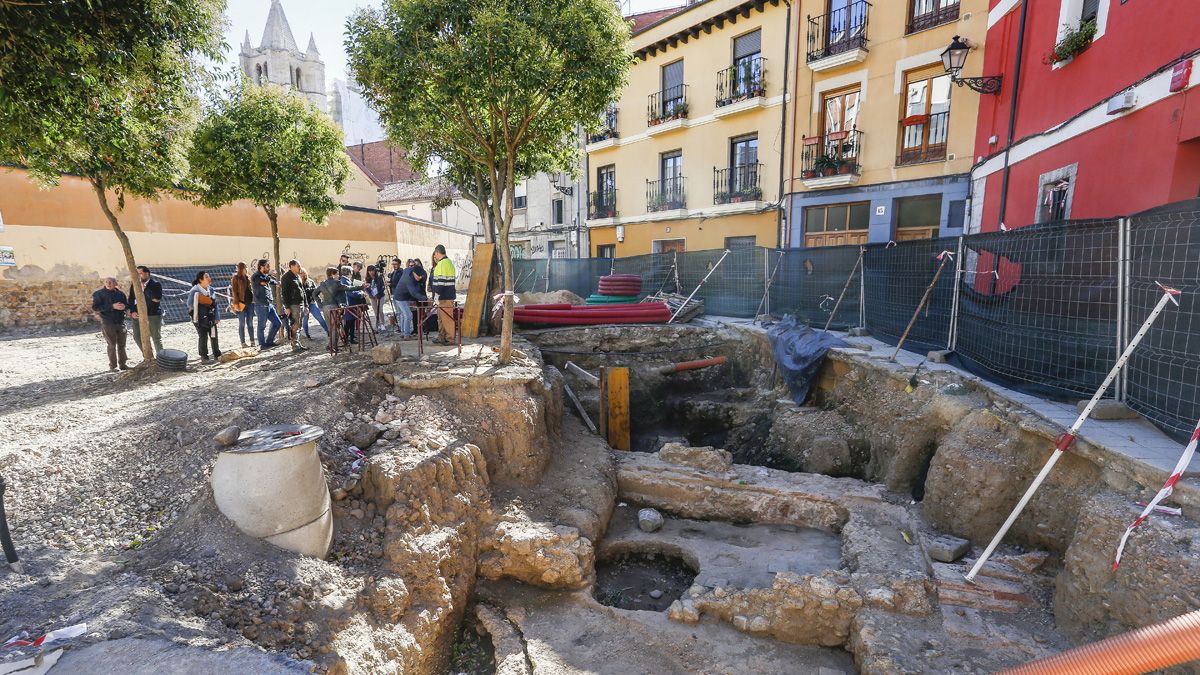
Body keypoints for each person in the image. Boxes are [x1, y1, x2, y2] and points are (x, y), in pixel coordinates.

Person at [91, 277, 129, 371]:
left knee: (122, 345)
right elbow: (95, 308)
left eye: (111, 282)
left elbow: (127, 305)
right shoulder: (98, 294)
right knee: (112, 345)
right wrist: (112, 306)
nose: (109, 284)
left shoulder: (121, 294)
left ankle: (123, 365)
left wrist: (124, 307)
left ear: (115, 283)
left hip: (120, 322)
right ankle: (113, 366)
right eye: (106, 282)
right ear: (104, 283)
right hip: (108, 322)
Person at [127, 265, 163, 357]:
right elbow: (131, 299)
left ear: (147, 274)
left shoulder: (156, 284)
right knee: (137, 337)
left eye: (140, 273)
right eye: (136, 274)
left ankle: (161, 358)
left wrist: (144, 290)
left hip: (152, 315)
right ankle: (147, 356)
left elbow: (156, 299)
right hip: (137, 315)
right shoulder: (134, 285)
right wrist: (132, 311)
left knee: (156, 338)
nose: (138, 276)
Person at [186, 271, 222, 363]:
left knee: (214, 335)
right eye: (206, 277)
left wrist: (217, 317)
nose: (209, 278)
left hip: (211, 316)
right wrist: (203, 302)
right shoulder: (195, 291)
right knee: (203, 337)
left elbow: (215, 304)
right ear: (201, 280)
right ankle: (204, 356)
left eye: (209, 276)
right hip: (199, 318)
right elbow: (189, 304)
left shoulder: (211, 290)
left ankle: (217, 354)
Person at [392, 259, 428, 339]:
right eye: (418, 276)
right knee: (408, 315)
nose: (419, 278)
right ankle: (406, 335)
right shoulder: (409, 278)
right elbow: (414, 293)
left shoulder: (410, 271)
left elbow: (420, 281)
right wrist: (425, 298)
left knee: (404, 315)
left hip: (403, 296)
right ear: (414, 273)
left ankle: (403, 332)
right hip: (400, 297)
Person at [251, 258, 281, 348]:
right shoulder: (256, 276)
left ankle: (269, 341)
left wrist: (276, 282)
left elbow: (270, 281)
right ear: (261, 267)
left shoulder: (265, 276)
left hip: (269, 304)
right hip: (260, 305)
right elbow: (264, 281)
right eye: (267, 266)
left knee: (277, 323)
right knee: (261, 326)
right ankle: (262, 344)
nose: (269, 267)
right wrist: (270, 275)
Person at [430, 245, 457, 345]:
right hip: (446, 295)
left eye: (435, 254)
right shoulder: (448, 262)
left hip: (444, 296)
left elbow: (440, 282)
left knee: (447, 319)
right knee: (441, 319)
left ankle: (450, 338)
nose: (434, 256)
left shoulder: (442, 264)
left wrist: (436, 295)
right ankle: (441, 336)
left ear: (437, 253)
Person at [280, 259, 307, 352]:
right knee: (295, 324)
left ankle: (297, 343)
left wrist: (306, 305)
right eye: (298, 266)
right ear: (292, 266)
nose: (300, 267)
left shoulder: (298, 277)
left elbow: (303, 291)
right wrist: (287, 307)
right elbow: (284, 293)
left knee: (299, 325)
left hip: (301, 304)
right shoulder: (286, 277)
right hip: (293, 304)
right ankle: (294, 345)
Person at [317, 266, 349, 344]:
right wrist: (361, 286)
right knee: (335, 328)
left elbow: (314, 294)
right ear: (332, 274)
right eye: (337, 274)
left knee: (330, 328)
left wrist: (320, 304)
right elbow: (349, 288)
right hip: (333, 307)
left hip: (325, 307)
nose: (338, 276)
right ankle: (333, 346)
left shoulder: (322, 284)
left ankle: (331, 345)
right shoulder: (336, 283)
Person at [230, 262, 256, 348]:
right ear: (241, 269)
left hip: (250, 304)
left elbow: (252, 290)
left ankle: (252, 341)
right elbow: (234, 292)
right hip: (240, 303)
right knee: (242, 323)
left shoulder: (248, 277)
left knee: (250, 323)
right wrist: (235, 304)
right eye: (245, 267)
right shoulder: (236, 278)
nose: (246, 269)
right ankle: (243, 343)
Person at [299, 267, 328, 339]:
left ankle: (328, 331)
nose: (302, 274)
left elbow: (315, 291)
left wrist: (310, 291)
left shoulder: (310, 281)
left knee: (320, 318)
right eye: (300, 273)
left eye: (303, 273)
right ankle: (307, 334)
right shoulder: (298, 282)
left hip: (312, 303)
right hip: (304, 304)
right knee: (305, 320)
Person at [364, 264, 386, 331]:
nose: (371, 272)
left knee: (380, 310)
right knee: (375, 310)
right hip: (372, 297)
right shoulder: (367, 279)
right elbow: (366, 288)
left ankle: (382, 324)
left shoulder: (379, 277)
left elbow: (383, 286)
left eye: (372, 270)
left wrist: (378, 295)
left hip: (380, 296)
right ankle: (378, 324)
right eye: (369, 271)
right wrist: (371, 295)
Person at [387, 259, 405, 330]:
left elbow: (400, 283)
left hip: (399, 295)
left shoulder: (401, 272)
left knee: (400, 312)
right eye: (393, 264)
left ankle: (402, 327)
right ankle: (400, 326)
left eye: (395, 264)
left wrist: (391, 284)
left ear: (399, 264)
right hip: (394, 293)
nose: (394, 266)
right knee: (397, 312)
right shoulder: (394, 272)